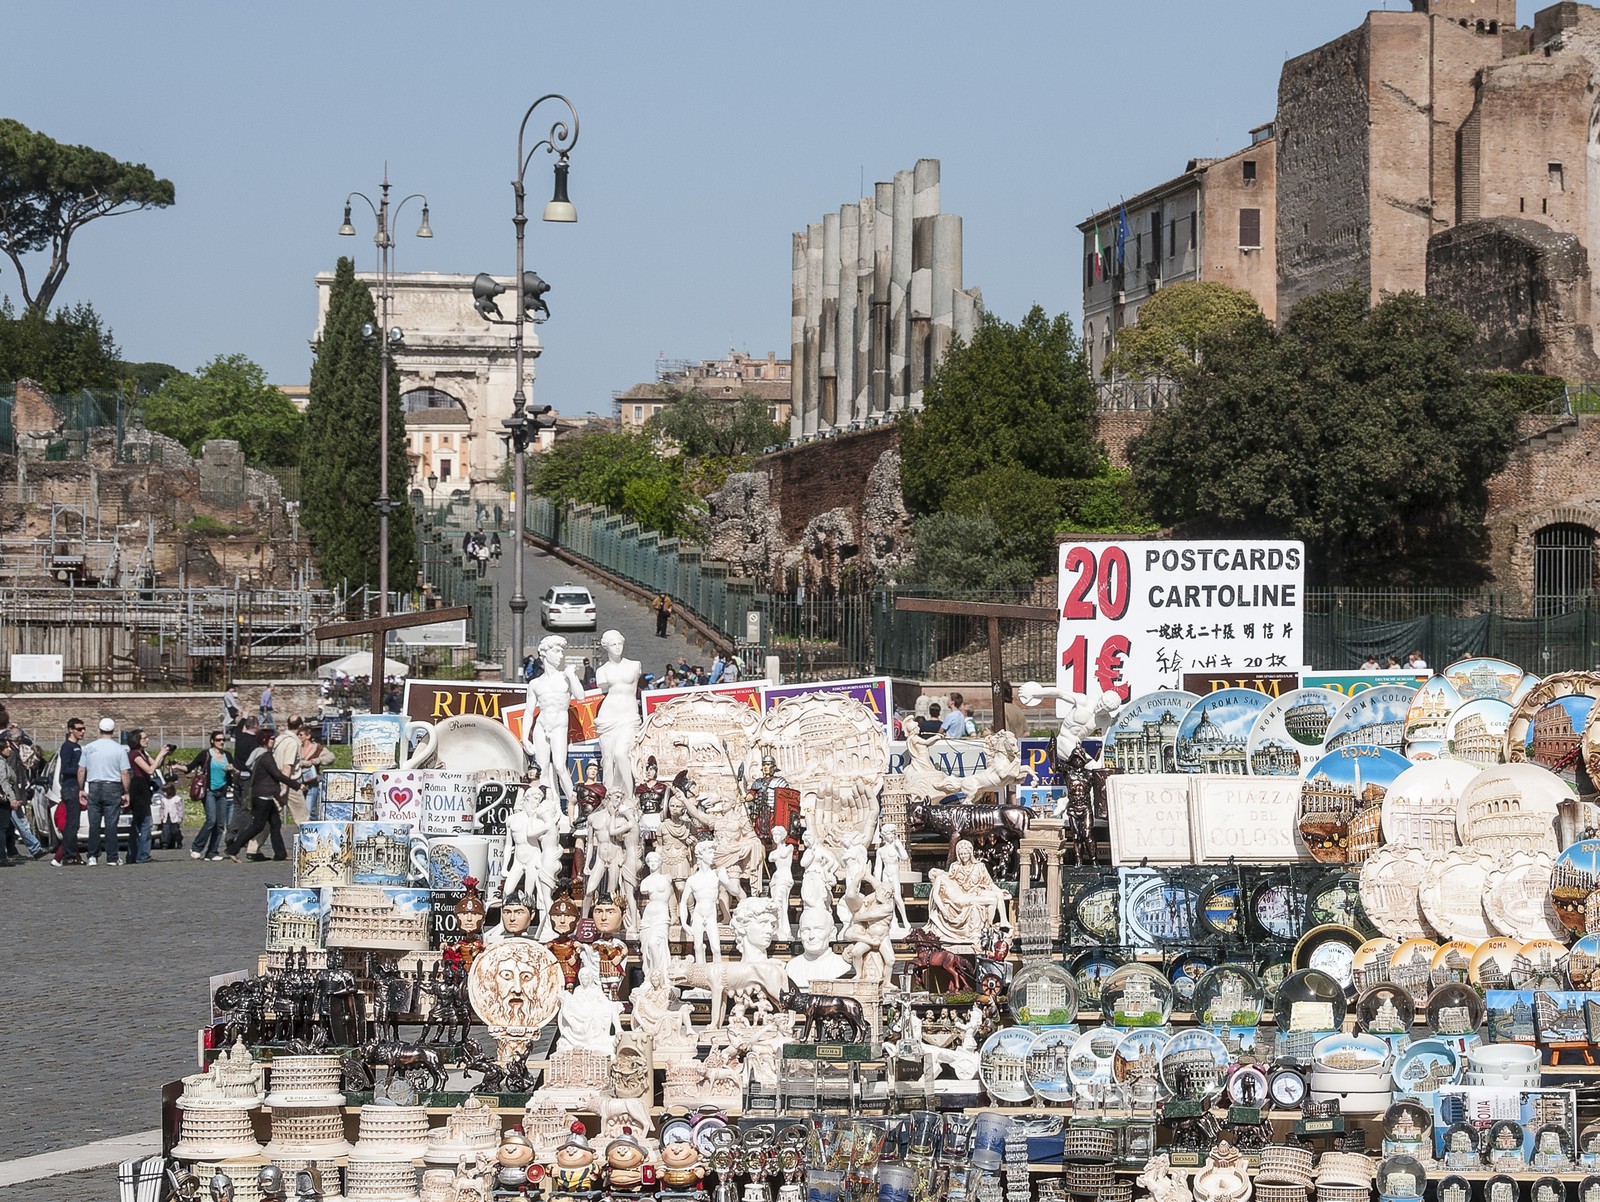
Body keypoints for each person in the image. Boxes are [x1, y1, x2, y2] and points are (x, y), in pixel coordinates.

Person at [224, 727, 295, 862]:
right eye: (272, 739)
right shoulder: (266, 756)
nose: (274, 741)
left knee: (275, 823)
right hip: (263, 796)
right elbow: (277, 775)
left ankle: (280, 853)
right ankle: (233, 849)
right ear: (265, 740)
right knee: (258, 826)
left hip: (264, 795)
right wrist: (297, 785)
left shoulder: (260, 754)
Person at [80, 716, 131, 867]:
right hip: (112, 786)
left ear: (99, 729)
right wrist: (126, 792)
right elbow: (125, 773)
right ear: (113, 731)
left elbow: (81, 770)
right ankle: (112, 857)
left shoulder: (88, 748)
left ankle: (92, 856)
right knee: (111, 824)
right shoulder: (119, 749)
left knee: (94, 823)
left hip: (94, 785)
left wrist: (81, 788)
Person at [126, 729, 175, 864]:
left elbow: (156, 764)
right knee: (145, 823)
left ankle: (133, 855)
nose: (147, 740)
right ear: (137, 740)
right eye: (144, 738)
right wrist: (160, 754)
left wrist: (164, 755)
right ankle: (142, 855)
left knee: (138, 823)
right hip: (138, 788)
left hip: (144, 787)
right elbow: (149, 769)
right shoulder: (134, 754)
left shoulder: (143, 753)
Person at [188, 729, 235, 861]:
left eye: (223, 740)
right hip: (209, 791)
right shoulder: (206, 754)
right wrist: (176, 767)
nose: (221, 742)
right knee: (211, 820)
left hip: (222, 791)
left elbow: (234, 771)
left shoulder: (228, 755)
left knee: (220, 824)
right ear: (212, 741)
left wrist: (232, 770)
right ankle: (196, 847)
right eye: (218, 740)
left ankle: (212, 852)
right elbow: (189, 767)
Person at [0, 730, 44, 863]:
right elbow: (7, 779)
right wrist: (14, 797)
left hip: (11, 795)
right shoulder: (10, 755)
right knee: (19, 823)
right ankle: (35, 848)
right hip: (10, 796)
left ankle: (11, 850)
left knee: (9, 826)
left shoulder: (11, 753)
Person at [51, 718, 86, 867]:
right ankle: (69, 856)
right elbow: (65, 769)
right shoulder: (67, 747)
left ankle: (70, 854)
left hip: (76, 787)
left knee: (74, 823)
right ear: (70, 730)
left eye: (83, 729)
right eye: (79, 729)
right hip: (70, 787)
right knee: (71, 824)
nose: (82, 732)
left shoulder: (78, 747)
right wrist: (81, 769)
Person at [296, 722, 335, 820]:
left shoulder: (317, 748)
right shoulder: (297, 747)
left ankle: (311, 828)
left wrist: (318, 760)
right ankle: (310, 825)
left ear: (308, 736)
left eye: (301, 735)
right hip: (299, 782)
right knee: (303, 810)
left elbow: (331, 757)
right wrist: (302, 763)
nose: (299, 737)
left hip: (312, 781)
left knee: (309, 809)